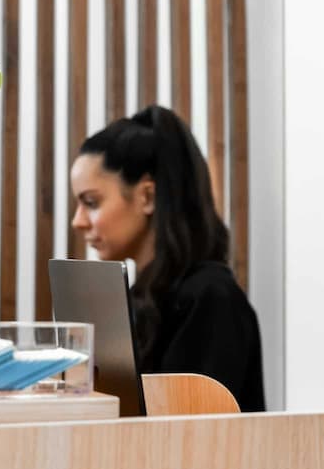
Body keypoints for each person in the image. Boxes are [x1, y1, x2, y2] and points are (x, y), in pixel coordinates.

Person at [70, 105, 265, 412]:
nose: (78, 221)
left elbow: (191, 435)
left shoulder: (212, 299)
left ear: (146, 196)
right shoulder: (138, 300)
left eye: (91, 202)